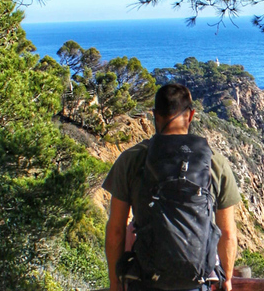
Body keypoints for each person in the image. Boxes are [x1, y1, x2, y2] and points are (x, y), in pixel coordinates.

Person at [103, 83, 240, 291]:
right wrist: (227, 280)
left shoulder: (132, 159)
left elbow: (115, 230)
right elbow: (227, 233)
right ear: (191, 115)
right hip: (196, 283)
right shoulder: (214, 162)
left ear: (154, 115)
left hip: (145, 281)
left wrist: (115, 283)